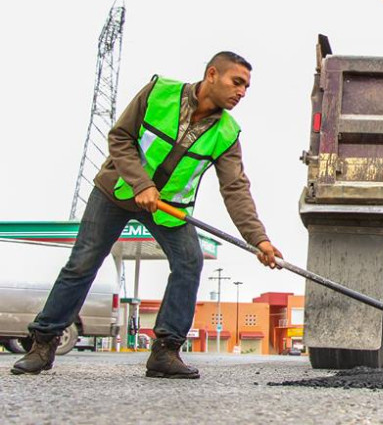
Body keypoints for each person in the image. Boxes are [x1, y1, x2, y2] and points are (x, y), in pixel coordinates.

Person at [12, 51, 283, 379]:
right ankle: (42, 343)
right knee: (82, 263)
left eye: (247, 88)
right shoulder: (159, 93)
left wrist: (260, 240)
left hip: (167, 209)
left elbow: (236, 189)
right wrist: (141, 183)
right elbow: (120, 137)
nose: (241, 92)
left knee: (189, 262)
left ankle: (166, 352)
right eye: (236, 82)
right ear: (212, 74)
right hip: (116, 193)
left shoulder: (227, 133)